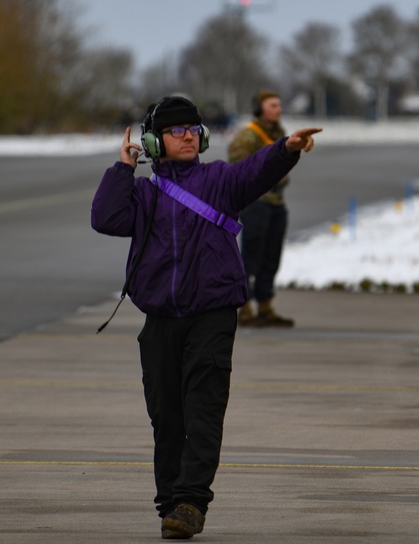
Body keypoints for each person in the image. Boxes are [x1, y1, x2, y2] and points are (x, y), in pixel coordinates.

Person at [91, 95, 320, 539]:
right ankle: (169, 503)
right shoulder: (140, 193)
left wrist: (286, 148)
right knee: (167, 416)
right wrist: (123, 169)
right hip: (159, 319)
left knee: (203, 410)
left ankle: (192, 502)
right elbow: (105, 218)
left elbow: (254, 172)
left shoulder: (219, 180)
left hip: (212, 313)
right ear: (155, 142)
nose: (188, 137)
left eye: (194, 130)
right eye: (177, 131)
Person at [228, 90, 295, 327]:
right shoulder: (248, 135)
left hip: (277, 201)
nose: (278, 109)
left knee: (272, 255)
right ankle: (244, 307)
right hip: (257, 202)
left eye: (278, 105)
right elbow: (238, 168)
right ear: (260, 109)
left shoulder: (278, 133)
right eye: (272, 105)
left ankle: (265, 304)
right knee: (251, 255)